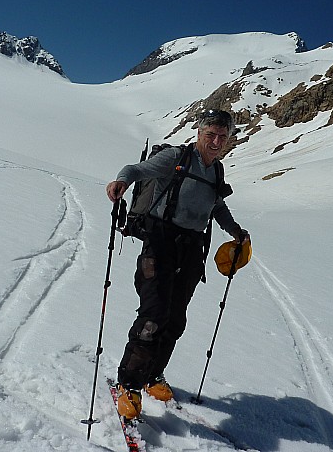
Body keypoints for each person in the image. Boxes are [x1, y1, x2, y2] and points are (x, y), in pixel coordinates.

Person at [105, 109, 250, 419]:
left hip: (190, 253)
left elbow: (217, 206)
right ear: (198, 133)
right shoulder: (176, 157)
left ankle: (152, 375)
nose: (216, 141)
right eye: (210, 134)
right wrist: (121, 181)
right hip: (159, 245)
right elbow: (136, 169)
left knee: (175, 320)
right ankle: (128, 384)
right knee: (153, 317)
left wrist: (235, 231)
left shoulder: (217, 171)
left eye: (222, 137)